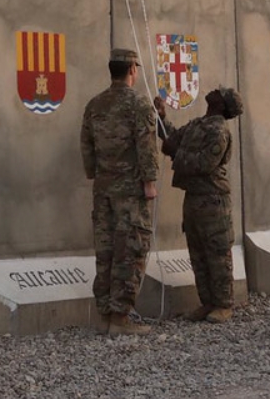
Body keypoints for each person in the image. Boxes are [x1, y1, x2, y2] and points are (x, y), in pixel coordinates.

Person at [80, 47, 160, 336]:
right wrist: (150, 182)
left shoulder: (95, 104)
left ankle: (104, 315)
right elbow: (146, 145)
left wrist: (94, 172)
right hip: (130, 191)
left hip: (103, 189)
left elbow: (86, 144)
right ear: (132, 70)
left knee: (106, 251)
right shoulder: (139, 104)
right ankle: (120, 317)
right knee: (130, 250)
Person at [154, 86, 243, 324]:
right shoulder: (198, 124)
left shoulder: (219, 131)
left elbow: (204, 164)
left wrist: (176, 152)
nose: (215, 90)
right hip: (194, 197)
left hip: (213, 200)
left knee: (217, 254)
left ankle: (223, 304)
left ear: (222, 105)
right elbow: (173, 137)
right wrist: (161, 117)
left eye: (220, 92)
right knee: (198, 254)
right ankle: (208, 302)